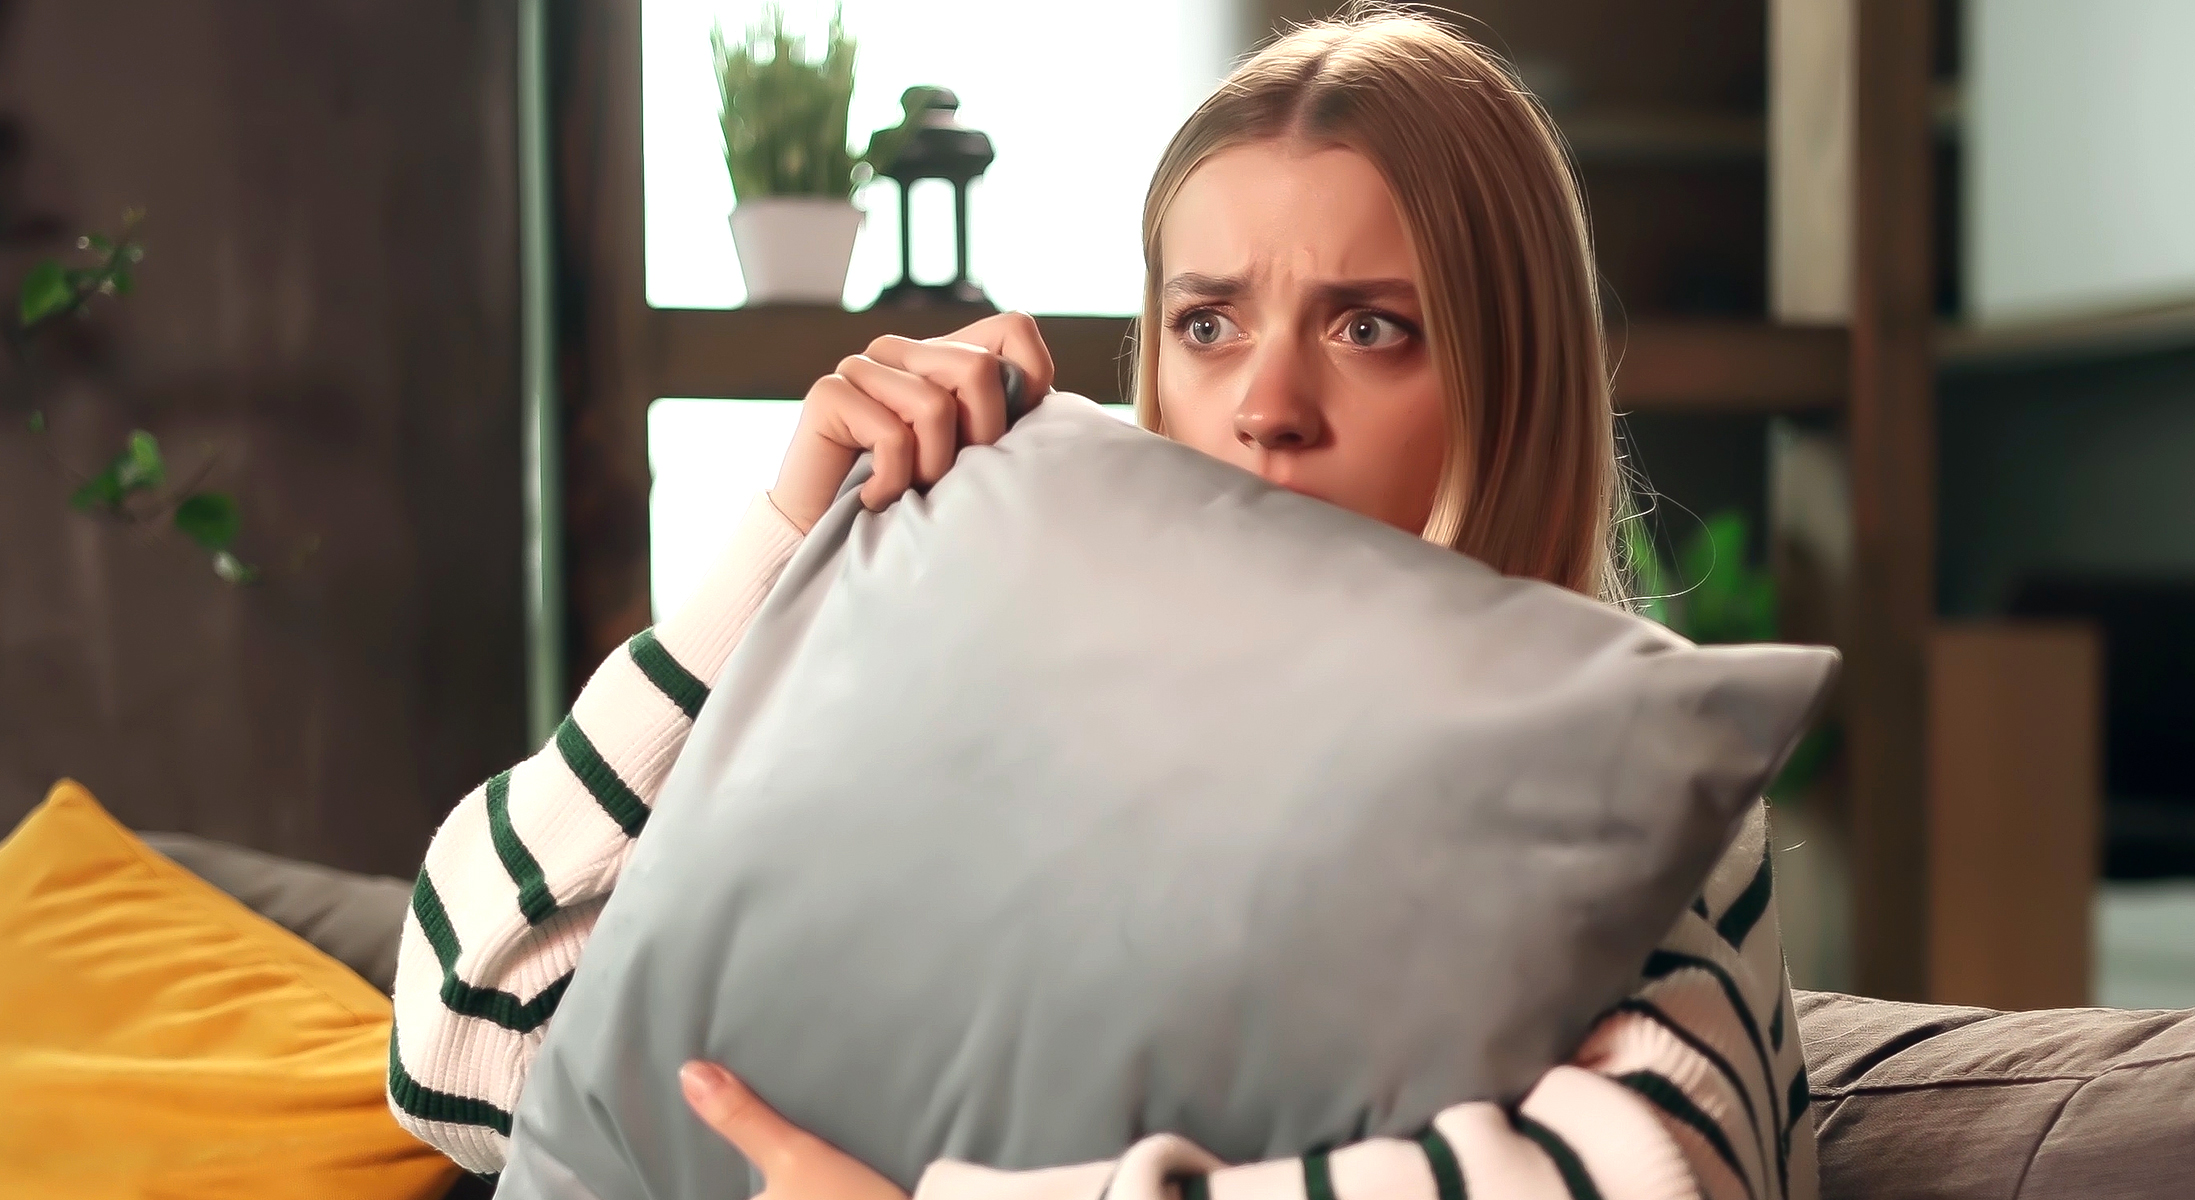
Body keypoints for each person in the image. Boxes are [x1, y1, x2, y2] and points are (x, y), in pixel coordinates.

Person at [388, 10, 1812, 1200]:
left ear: (1515, 378)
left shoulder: (1620, 777)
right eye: (1210, 322)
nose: (1266, 406)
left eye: (1370, 326)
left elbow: (1654, 1174)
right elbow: (466, 1033)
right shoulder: (991, 742)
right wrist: (782, 542)